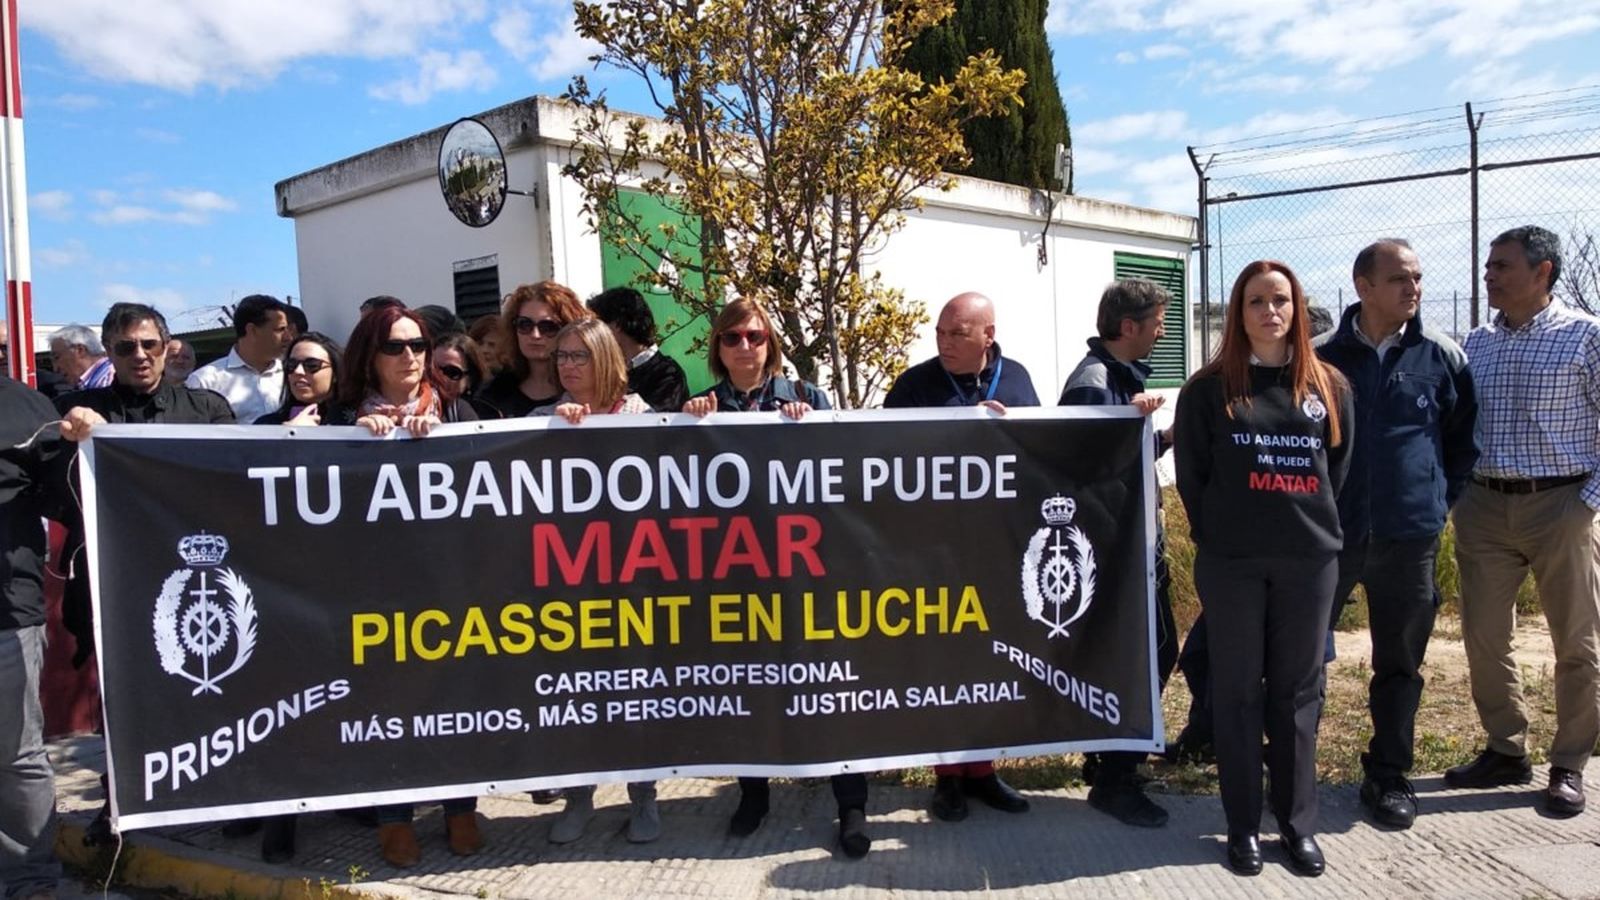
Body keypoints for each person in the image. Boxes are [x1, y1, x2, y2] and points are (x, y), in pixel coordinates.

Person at [1173, 260, 1352, 877]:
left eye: (1281, 300)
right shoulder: (1208, 389)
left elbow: (1339, 473)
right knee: (1238, 691)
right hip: (1233, 565)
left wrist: (1305, 531)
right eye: (1256, 301)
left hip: (1309, 563)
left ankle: (1297, 825)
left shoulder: (1327, 385)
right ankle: (1243, 826)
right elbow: (1192, 478)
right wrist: (1225, 535)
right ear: (1238, 311)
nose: (1270, 311)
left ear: (1297, 309)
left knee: (1299, 694)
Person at [680, 298, 868, 857]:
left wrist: (815, 433)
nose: (744, 347)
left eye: (755, 337)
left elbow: (847, 474)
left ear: (771, 344)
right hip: (737, 573)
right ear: (717, 345)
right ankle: (753, 794)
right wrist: (686, 428)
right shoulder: (702, 407)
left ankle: (851, 802)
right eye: (733, 337)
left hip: (806, 572)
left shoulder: (808, 399)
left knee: (829, 686)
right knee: (748, 687)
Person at [1312, 239, 1478, 829]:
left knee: (1400, 663)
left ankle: (1388, 774)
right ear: (1363, 286)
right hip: (1330, 539)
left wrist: (1433, 505)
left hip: (1410, 542)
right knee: (1303, 659)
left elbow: (1462, 444)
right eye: (1400, 278)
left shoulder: (1442, 355)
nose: (1414, 288)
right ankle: (1293, 773)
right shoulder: (1319, 360)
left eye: (1418, 277)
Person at [1447, 225, 1600, 818]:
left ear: (1544, 271)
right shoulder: (1476, 343)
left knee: (1576, 642)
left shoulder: (1585, 337)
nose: (1489, 274)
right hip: (1484, 507)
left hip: (1561, 506)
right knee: (1484, 636)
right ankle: (1505, 749)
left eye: (1502, 266)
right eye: (1488, 265)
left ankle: (1568, 764)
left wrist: (1585, 501)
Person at [883, 291, 1036, 822]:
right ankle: (947, 775)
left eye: (958, 334)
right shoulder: (915, 385)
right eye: (940, 333)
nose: (944, 343)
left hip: (995, 549)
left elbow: (1040, 453)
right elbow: (882, 456)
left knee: (989, 658)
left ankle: (984, 771)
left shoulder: (1015, 378)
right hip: (934, 551)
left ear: (987, 336)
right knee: (945, 661)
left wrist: (1012, 427)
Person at [338, 305, 479, 865]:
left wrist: (445, 441)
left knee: (456, 701)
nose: (411, 357)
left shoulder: (458, 407)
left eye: (418, 345)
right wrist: (353, 443)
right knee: (388, 708)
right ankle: (393, 818)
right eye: (395, 347)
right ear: (370, 356)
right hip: (376, 592)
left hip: (451, 586)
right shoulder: (343, 415)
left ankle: (460, 807)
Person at [1058, 278, 1179, 829]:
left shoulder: (1117, 378)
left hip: (1131, 546)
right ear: (1128, 327)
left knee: (1143, 653)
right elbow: (1087, 471)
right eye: (1155, 323)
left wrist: (1163, 435)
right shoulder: (1094, 384)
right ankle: (1116, 777)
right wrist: (1132, 423)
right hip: (1116, 552)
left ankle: (1107, 757)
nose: (1160, 331)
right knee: (1149, 653)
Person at [1, 374, 71, 900]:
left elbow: (69, 492)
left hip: (7, 615)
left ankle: (29, 880)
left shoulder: (25, 407)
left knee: (16, 755)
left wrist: (84, 442)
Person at [478, 282, 590, 418]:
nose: (535, 335)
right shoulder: (493, 393)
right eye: (524, 324)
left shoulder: (585, 388)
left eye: (548, 327)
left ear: (569, 329)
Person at [186, 294, 292, 423]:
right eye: (280, 330)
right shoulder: (204, 381)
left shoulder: (293, 374)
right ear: (252, 330)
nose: (288, 338)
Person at [588, 286, 690, 413]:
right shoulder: (604, 370)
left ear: (617, 324)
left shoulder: (667, 374)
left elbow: (655, 422)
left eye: (598, 325)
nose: (594, 335)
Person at [533, 319, 651, 421]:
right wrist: (553, 427)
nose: (567, 365)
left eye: (579, 356)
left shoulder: (642, 415)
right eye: (562, 355)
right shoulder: (540, 418)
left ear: (605, 360)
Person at [257, 333, 349, 427]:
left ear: (335, 373)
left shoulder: (355, 422)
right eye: (291, 365)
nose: (298, 371)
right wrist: (289, 434)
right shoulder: (266, 425)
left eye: (312, 365)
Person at [431, 332, 500, 420]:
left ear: (470, 379)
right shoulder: (413, 405)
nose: (440, 376)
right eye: (433, 368)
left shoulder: (486, 414)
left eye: (452, 372)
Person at [48, 324, 112, 390]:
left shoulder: (107, 378)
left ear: (80, 350)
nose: (56, 369)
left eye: (57, 357)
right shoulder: (93, 381)